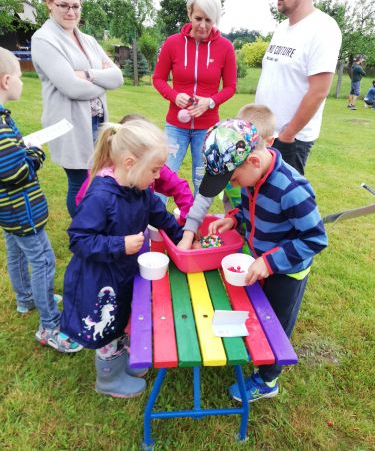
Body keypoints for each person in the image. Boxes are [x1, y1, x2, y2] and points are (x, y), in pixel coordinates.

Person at [198, 118, 328, 402]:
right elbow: (249, 213)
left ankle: (269, 380)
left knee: (276, 325)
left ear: (254, 161)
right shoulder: (253, 178)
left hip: (286, 273)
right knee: (258, 311)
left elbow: (315, 238)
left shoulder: (292, 188)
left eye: (232, 179)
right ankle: (254, 353)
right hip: (261, 262)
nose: (233, 186)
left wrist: (270, 263)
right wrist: (232, 220)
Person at [59, 120, 184, 398]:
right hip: (99, 280)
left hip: (122, 272)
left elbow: (160, 215)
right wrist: (119, 244)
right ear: (129, 162)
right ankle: (108, 380)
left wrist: (183, 236)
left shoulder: (138, 189)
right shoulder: (101, 196)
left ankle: (123, 362)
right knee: (106, 327)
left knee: (121, 317)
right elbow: (78, 240)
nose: (156, 178)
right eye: (154, 170)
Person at [0, 47, 81, 353]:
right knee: (43, 260)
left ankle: (25, 299)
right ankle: (50, 326)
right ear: (7, 81)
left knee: (16, 252)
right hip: (23, 211)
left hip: (9, 211)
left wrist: (19, 147)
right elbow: (14, 171)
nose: (22, 81)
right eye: (20, 77)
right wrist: (33, 154)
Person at [31, 0, 123, 218]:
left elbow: (117, 77)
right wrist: (102, 83)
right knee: (79, 183)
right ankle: (83, 233)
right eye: (64, 5)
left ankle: (95, 227)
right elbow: (71, 87)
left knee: (100, 178)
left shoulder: (89, 41)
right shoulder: (44, 39)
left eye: (76, 6)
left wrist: (89, 74)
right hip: (70, 123)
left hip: (98, 122)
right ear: (49, 3)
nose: (71, 11)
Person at [255, 0, 342, 175]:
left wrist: (287, 135)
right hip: (264, 134)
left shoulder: (324, 28)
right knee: (257, 202)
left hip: (290, 140)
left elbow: (319, 91)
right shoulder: (282, 28)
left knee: (282, 204)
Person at [153, 0, 237, 194]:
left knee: (202, 179)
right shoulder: (172, 43)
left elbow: (230, 87)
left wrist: (209, 102)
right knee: (162, 176)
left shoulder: (225, 47)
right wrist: (174, 96)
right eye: (198, 18)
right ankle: (154, 225)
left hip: (207, 128)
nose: (202, 25)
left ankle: (196, 225)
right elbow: (158, 79)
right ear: (189, 12)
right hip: (175, 125)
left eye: (209, 20)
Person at [178, 104, 275, 250]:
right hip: (234, 231)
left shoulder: (277, 184)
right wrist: (188, 234)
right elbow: (204, 197)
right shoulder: (226, 161)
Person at [75, 114, 194, 223]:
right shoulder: (99, 184)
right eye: (154, 171)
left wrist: (189, 223)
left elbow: (178, 187)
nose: (157, 174)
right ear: (130, 161)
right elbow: (84, 212)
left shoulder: (151, 167)